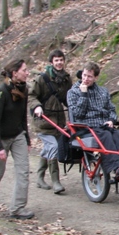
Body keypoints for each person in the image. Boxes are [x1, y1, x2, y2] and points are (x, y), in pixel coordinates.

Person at [67, 61, 119, 182]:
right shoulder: (73, 92)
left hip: (103, 125)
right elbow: (77, 114)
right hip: (85, 127)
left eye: (89, 76)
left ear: (96, 78)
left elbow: (111, 109)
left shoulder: (103, 92)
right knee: (105, 135)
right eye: (84, 75)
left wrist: (111, 120)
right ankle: (116, 168)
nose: (86, 79)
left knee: (116, 134)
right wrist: (83, 94)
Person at [0, 59, 34, 219]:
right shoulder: (1, 92)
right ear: (14, 73)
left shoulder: (24, 89)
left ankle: (17, 208)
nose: (27, 73)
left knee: (23, 172)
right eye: (24, 70)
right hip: (0, 138)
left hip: (17, 136)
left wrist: (27, 139)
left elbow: (23, 116)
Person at [28, 49, 73, 194]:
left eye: (61, 59)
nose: (59, 62)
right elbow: (31, 96)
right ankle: (56, 182)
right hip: (43, 122)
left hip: (58, 122)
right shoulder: (42, 78)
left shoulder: (66, 79)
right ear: (51, 62)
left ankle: (40, 178)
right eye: (56, 60)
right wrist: (37, 107)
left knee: (48, 148)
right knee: (53, 146)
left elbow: (68, 98)